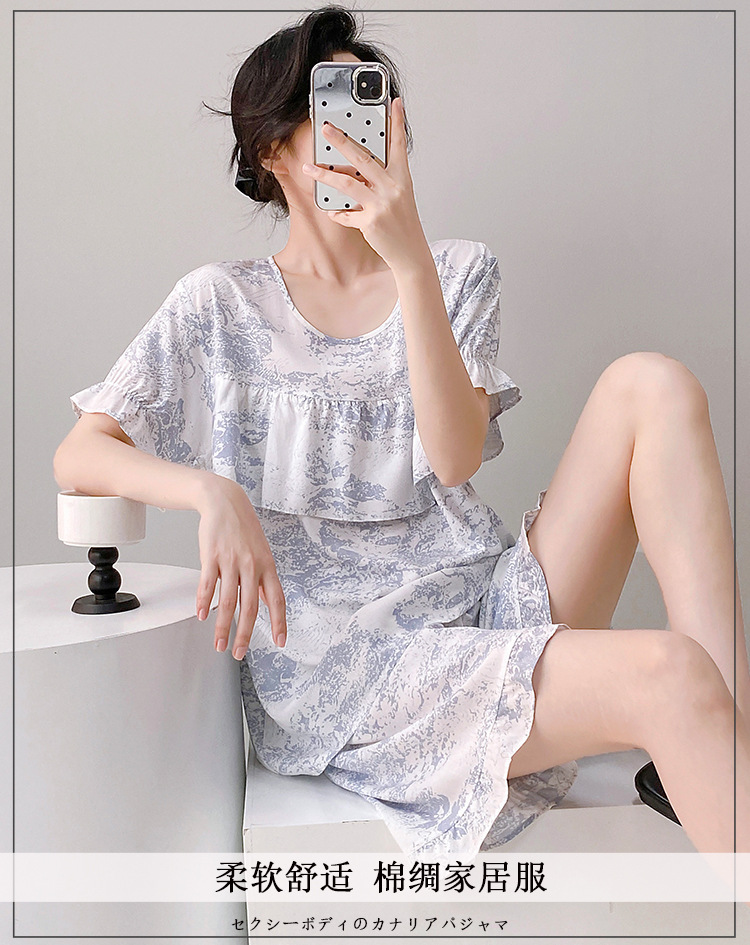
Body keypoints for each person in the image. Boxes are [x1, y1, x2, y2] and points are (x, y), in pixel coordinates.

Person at [54, 5, 749, 866]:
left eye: (374, 105)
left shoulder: (456, 270)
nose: (364, 131)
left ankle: (730, 742)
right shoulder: (220, 303)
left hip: (482, 611)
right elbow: (79, 454)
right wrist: (211, 491)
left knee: (654, 382)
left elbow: (453, 459)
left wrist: (410, 259)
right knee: (671, 673)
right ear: (272, 151)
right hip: (349, 674)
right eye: (333, 107)